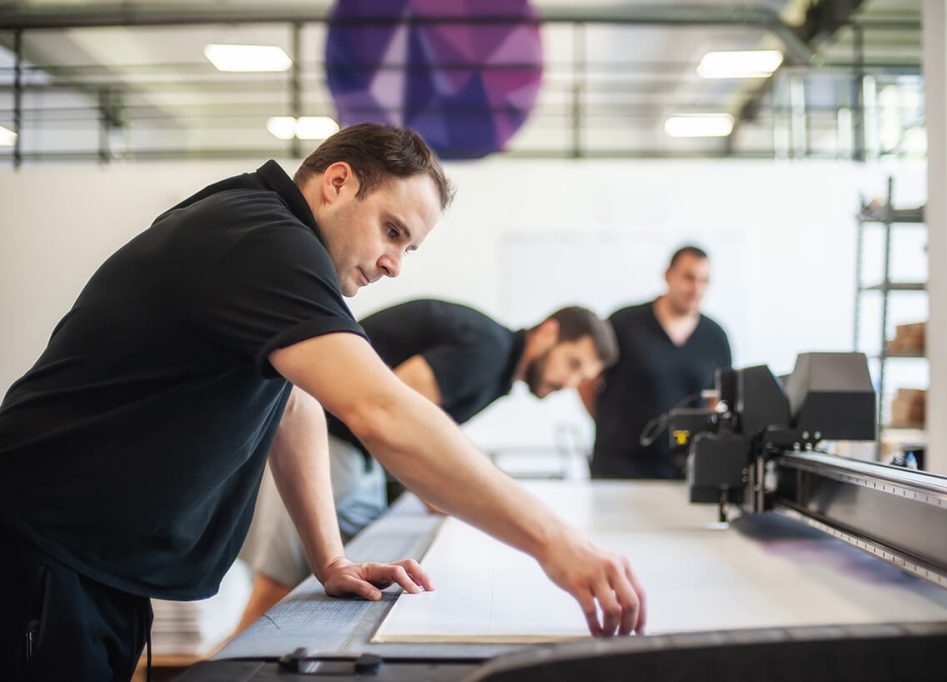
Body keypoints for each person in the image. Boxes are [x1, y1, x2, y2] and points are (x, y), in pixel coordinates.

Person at [0, 124, 645, 680]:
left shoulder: (267, 240)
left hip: (89, 561)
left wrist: (329, 557)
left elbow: (293, 404)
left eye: (409, 249)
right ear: (337, 183)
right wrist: (556, 542)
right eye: (392, 231)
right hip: (41, 548)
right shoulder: (265, 240)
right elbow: (384, 412)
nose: (395, 264)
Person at [238, 299, 619, 628]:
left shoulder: (496, 365)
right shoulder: (488, 349)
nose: (571, 383)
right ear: (548, 332)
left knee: (316, 593)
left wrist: (433, 489)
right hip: (321, 439)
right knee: (276, 595)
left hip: (351, 452)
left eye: (582, 376)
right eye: (573, 364)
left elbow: (416, 423)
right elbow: (397, 408)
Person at [580, 245, 732, 479]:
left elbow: (717, 401)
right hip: (619, 466)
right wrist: (608, 425)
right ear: (668, 275)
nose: (696, 288)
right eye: (689, 278)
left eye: (705, 281)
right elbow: (587, 380)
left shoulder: (716, 337)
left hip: (683, 469)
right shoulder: (624, 323)